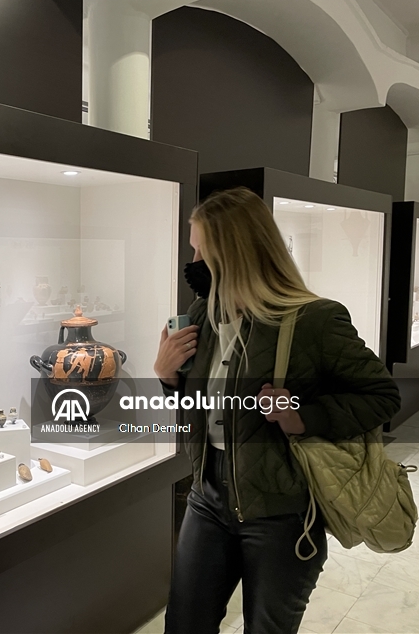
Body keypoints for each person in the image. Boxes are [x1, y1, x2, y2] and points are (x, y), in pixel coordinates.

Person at [154, 187, 400, 634]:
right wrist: (167, 376)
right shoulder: (202, 314)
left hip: (283, 513)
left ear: (238, 254)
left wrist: (302, 416)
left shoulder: (315, 320)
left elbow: (381, 397)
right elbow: (197, 408)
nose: (194, 261)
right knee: (184, 624)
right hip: (207, 499)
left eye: (202, 251)